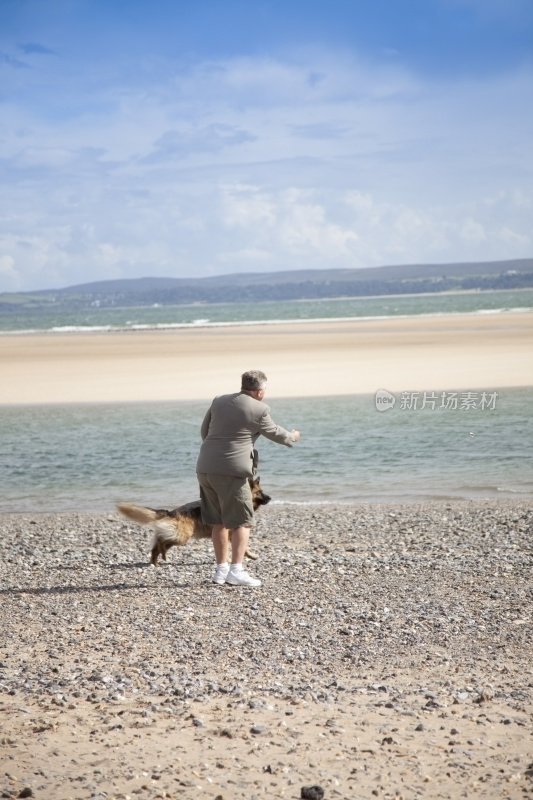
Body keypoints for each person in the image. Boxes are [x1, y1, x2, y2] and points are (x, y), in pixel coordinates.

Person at [196, 370, 300, 587]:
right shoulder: (260, 409)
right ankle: (236, 570)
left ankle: (220, 571)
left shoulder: (218, 401)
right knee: (243, 521)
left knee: (218, 521)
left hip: (205, 467)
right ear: (260, 391)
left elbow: (204, 432)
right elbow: (275, 433)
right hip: (232, 472)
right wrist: (292, 437)